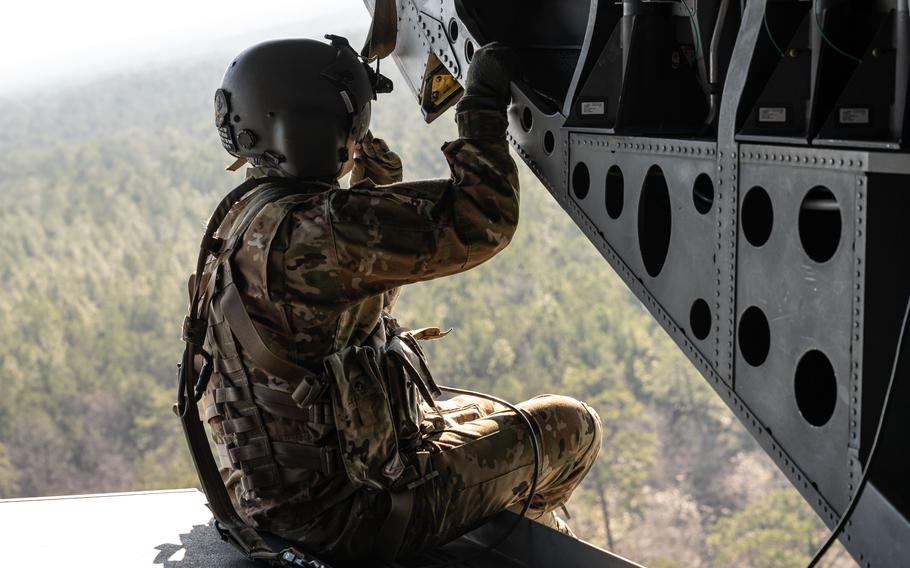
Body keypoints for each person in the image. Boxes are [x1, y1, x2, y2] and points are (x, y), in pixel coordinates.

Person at [189, 34, 603, 564]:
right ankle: (534, 539)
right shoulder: (321, 230)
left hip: (265, 503)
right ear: (310, 129)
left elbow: (338, 312)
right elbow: (482, 219)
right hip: (346, 519)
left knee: (478, 412)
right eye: (348, 125)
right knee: (569, 426)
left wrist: (368, 189)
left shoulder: (237, 223)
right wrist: (480, 110)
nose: (354, 136)